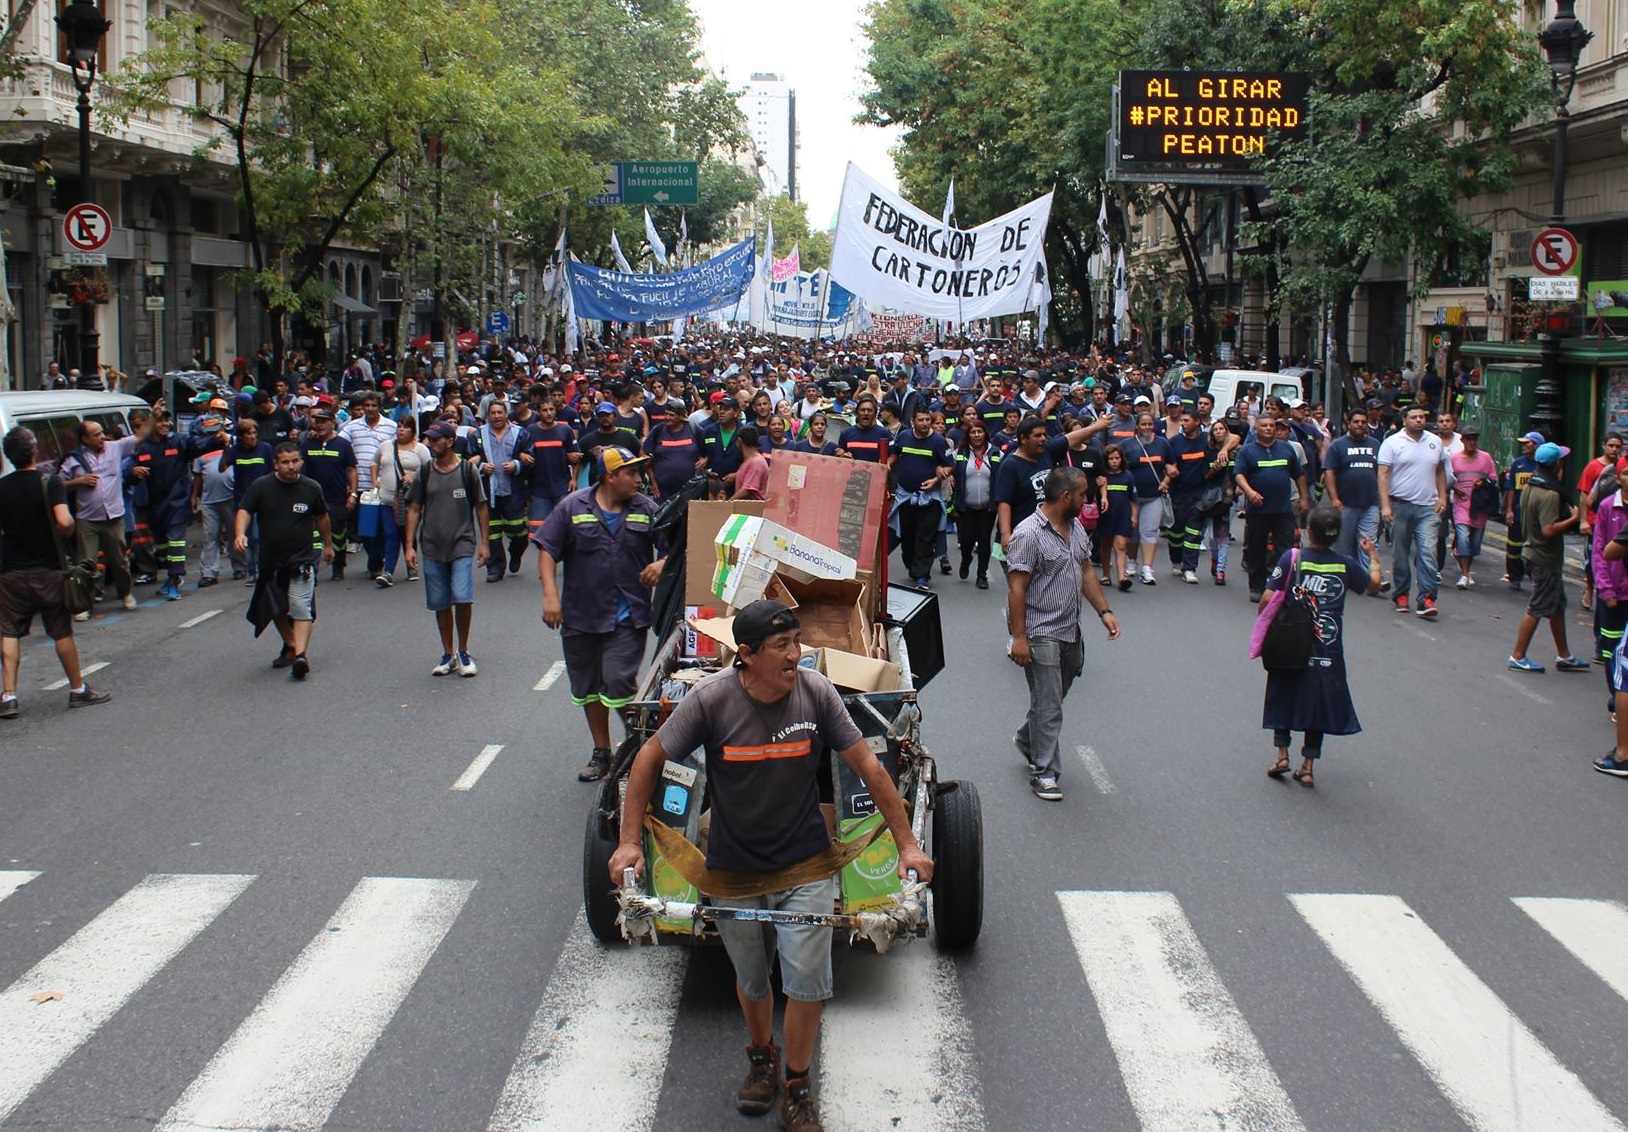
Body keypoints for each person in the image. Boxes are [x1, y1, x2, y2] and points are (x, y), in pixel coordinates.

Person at [608, 598, 930, 1131]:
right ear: (748, 655)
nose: (796, 655)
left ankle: (798, 1086)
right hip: (732, 870)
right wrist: (628, 842)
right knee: (752, 979)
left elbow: (870, 769)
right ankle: (762, 1056)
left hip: (805, 863)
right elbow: (647, 761)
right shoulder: (711, 702)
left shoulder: (815, 692)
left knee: (807, 982)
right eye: (783, 646)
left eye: (796, 642)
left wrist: (908, 846)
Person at [537, 446, 666, 782]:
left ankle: (642, 747)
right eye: (632, 473)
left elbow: (675, 546)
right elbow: (548, 550)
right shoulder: (572, 507)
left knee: (619, 681)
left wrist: (661, 562)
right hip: (580, 616)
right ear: (610, 476)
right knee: (588, 688)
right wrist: (551, 596)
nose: (639, 479)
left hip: (627, 616)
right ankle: (603, 752)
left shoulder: (646, 509)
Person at [1007, 466, 1122, 800]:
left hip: (1070, 629)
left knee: (1054, 697)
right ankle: (1044, 772)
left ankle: (1027, 738)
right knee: (1049, 702)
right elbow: (1017, 588)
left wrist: (1105, 611)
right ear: (1066, 497)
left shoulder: (1076, 528)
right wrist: (1019, 637)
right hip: (1040, 630)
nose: (1087, 500)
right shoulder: (1028, 534)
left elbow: (1086, 570)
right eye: (1083, 494)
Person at [1261, 505, 1382, 787]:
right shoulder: (1344, 564)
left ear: (1307, 532)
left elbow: (1268, 597)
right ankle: (1308, 765)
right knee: (1317, 702)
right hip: (1328, 650)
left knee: (1284, 691)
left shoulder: (1293, 558)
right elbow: (1374, 585)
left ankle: (1282, 754)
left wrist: (1264, 628)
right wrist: (1373, 555)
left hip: (1291, 644)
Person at [0, 426, 113, 717]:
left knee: (9, 631)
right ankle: (77, 689)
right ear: (34, 451)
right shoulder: (49, 482)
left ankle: (9, 696)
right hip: (48, 570)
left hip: (10, 572)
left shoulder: (2, 487)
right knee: (60, 630)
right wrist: (70, 528)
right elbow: (63, 522)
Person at [234, 443, 334, 680]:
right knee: (274, 607)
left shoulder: (311, 488)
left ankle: (300, 655)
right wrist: (240, 533)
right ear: (276, 464)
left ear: (301, 461)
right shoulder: (261, 486)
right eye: (285, 462)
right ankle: (291, 643)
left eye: (295, 461)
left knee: (300, 606)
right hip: (270, 561)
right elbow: (245, 510)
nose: (291, 466)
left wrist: (328, 545)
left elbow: (322, 517)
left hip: (301, 560)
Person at [405, 421, 491, 677]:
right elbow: (414, 508)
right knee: (441, 603)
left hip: (462, 544)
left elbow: (481, 506)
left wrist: (485, 543)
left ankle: (464, 651)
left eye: (436, 439)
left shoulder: (468, 470)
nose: (431, 443)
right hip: (432, 545)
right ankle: (448, 653)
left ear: (450, 441)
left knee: (462, 597)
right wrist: (409, 547)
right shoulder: (425, 472)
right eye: (429, 439)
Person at [58, 414, 155, 617]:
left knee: (119, 560)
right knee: (87, 563)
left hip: (114, 517)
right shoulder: (74, 459)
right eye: (96, 434)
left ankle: (126, 593)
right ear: (85, 440)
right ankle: (85, 604)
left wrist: (153, 416)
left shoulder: (115, 448)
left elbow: (140, 436)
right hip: (88, 520)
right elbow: (58, 485)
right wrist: (79, 481)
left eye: (102, 432)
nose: (102, 437)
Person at [1508, 443, 1591, 674]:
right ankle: (1518, 655)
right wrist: (1573, 519)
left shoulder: (1533, 485)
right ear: (1557, 465)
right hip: (1542, 556)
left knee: (1556, 606)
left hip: (1538, 554)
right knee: (1537, 607)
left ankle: (1564, 655)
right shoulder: (1550, 494)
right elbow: (1548, 530)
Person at [131, 409, 226, 599]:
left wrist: (216, 439)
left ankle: (175, 579)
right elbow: (125, 470)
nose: (165, 424)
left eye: (167, 420)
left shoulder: (179, 442)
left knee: (176, 543)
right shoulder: (141, 448)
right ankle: (170, 574)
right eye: (159, 421)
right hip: (154, 506)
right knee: (162, 548)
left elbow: (199, 445)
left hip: (177, 504)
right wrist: (133, 472)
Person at [1377, 406, 1449, 618]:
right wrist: (1386, 506)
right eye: (1414, 417)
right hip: (1400, 506)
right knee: (1400, 554)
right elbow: (1382, 475)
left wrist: (1443, 496)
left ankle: (1426, 598)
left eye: (1422, 416)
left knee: (1428, 552)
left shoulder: (1434, 441)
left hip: (1427, 507)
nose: (1419, 420)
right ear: (1404, 420)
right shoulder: (1392, 443)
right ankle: (1401, 593)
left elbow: (1440, 470)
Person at [1235, 418, 1307, 602]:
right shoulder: (1247, 451)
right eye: (1264, 426)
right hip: (1258, 511)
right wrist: (1249, 492)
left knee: (1285, 551)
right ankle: (1257, 587)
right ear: (1256, 429)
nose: (1268, 428)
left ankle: (1283, 586)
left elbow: (1298, 475)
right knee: (1256, 551)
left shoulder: (1286, 449)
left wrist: (1304, 499)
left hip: (1283, 510)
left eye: (1271, 426)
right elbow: (1239, 474)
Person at [891, 406, 955, 587]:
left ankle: (922, 576)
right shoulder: (903, 437)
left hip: (930, 498)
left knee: (925, 537)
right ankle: (913, 567)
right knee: (908, 536)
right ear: (913, 422)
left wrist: (936, 480)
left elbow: (950, 465)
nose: (925, 423)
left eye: (928, 420)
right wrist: (886, 465)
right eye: (921, 420)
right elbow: (895, 455)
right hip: (906, 497)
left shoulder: (939, 441)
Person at [339, 392, 400, 579]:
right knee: (365, 529)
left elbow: (401, 448)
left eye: (374, 405)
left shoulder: (391, 427)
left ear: (379, 407)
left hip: (384, 485)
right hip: (361, 486)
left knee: (382, 527)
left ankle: (376, 563)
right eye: (367, 406)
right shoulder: (352, 426)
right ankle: (375, 558)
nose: (370, 409)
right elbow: (340, 443)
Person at [1322, 408, 1384, 591]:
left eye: (1363, 422)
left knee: (1369, 542)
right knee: (1344, 545)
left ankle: (1370, 580)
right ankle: (1342, 577)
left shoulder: (1375, 444)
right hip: (1345, 504)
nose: (1360, 425)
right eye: (1356, 422)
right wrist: (1334, 498)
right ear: (1348, 423)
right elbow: (1329, 472)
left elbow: (1382, 473)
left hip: (1370, 504)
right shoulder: (1338, 445)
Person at [297, 408, 358, 581]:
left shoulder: (343, 445)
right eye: (317, 421)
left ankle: (338, 566)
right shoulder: (308, 444)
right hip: (313, 498)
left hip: (337, 497)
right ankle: (312, 569)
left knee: (338, 533)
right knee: (313, 535)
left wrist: (352, 493)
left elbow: (352, 469)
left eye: (324, 421)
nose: (320, 425)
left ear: (333, 423)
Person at [472, 399, 529, 581]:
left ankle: (516, 551)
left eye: (500, 412)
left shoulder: (520, 433)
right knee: (492, 530)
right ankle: (495, 568)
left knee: (517, 528)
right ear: (488, 415)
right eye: (493, 413)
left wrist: (516, 465)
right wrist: (482, 468)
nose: (496, 416)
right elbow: (469, 459)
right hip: (488, 491)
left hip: (514, 490)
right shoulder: (478, 435)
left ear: (506, 414)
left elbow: (531, 459)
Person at [371, 417, 432, 586]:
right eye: (399, 426)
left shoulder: (420, 449)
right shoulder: (386, 446)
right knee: (390, 534)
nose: (401, 430)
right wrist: (374, 480)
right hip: (387, 499)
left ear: (412, 430)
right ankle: (388, 571)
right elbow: (374, 462)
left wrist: (414, 477)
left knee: (408, 534)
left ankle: (411, 566)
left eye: (405, 427)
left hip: (410, 500)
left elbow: (429, 470)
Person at [191, 414, 245, 585]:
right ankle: (209, 573)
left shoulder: (233, 445)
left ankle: (240, 567)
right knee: (210, 536)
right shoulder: (201, 451)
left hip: (230, 498)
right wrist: (194, 496)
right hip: (209, 501)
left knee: (234, 534)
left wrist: (227, 441)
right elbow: (197, 477)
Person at [1447, 425, 1498, 590]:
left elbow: (1493, 479)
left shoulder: (1485, 458)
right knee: (1462, 537)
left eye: (1474, 438)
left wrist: (1483, 482)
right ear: (1462, 440)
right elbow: (1447, 479)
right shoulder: (1454, 459)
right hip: (1461, 504)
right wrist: (1455, 488)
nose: (1471, 442)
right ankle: (1465, 574)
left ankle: (1462, 557)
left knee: (1474, 543)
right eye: (1468, 438)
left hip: (1479, 506)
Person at [1577, 435, 1623, 613]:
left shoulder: (1622, 468)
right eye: (1610, 445)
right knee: (1592, 559)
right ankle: (1589, 589)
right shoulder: (1593, 467)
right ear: (1604, 446)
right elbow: (1584, 495)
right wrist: (1583, 520)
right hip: (1595, 521)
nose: (1614, 449)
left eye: (1617, 446)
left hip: (1617, 522)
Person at [951, 420, 999, 588]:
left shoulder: (995, 453)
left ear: (985, 433)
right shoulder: (960, 453)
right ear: (968, 435)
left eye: (980, 431)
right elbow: (950, 469)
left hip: (987, 508)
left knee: (984, 540)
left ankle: (982, 575)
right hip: (966, 508)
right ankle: (966, 560)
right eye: (973, 432)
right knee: (966, 541)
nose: (977, 435)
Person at [1503, 431, 1543, 591]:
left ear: (1536, 445)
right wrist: (1509, 510)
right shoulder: (1518, 464)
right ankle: (1515, 575)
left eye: (1527, 443)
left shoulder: (1543, 465)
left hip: (1536, 514)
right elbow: (1511, 488)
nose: (1523, 446)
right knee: (1513, 546)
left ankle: (1534, 575)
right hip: (1518, 512)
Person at [732, 425, 770, 501]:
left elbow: (748, 490)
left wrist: (728, 504)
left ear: (739, 441)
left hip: (753, 510)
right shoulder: (750, 461)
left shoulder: (756, 462)